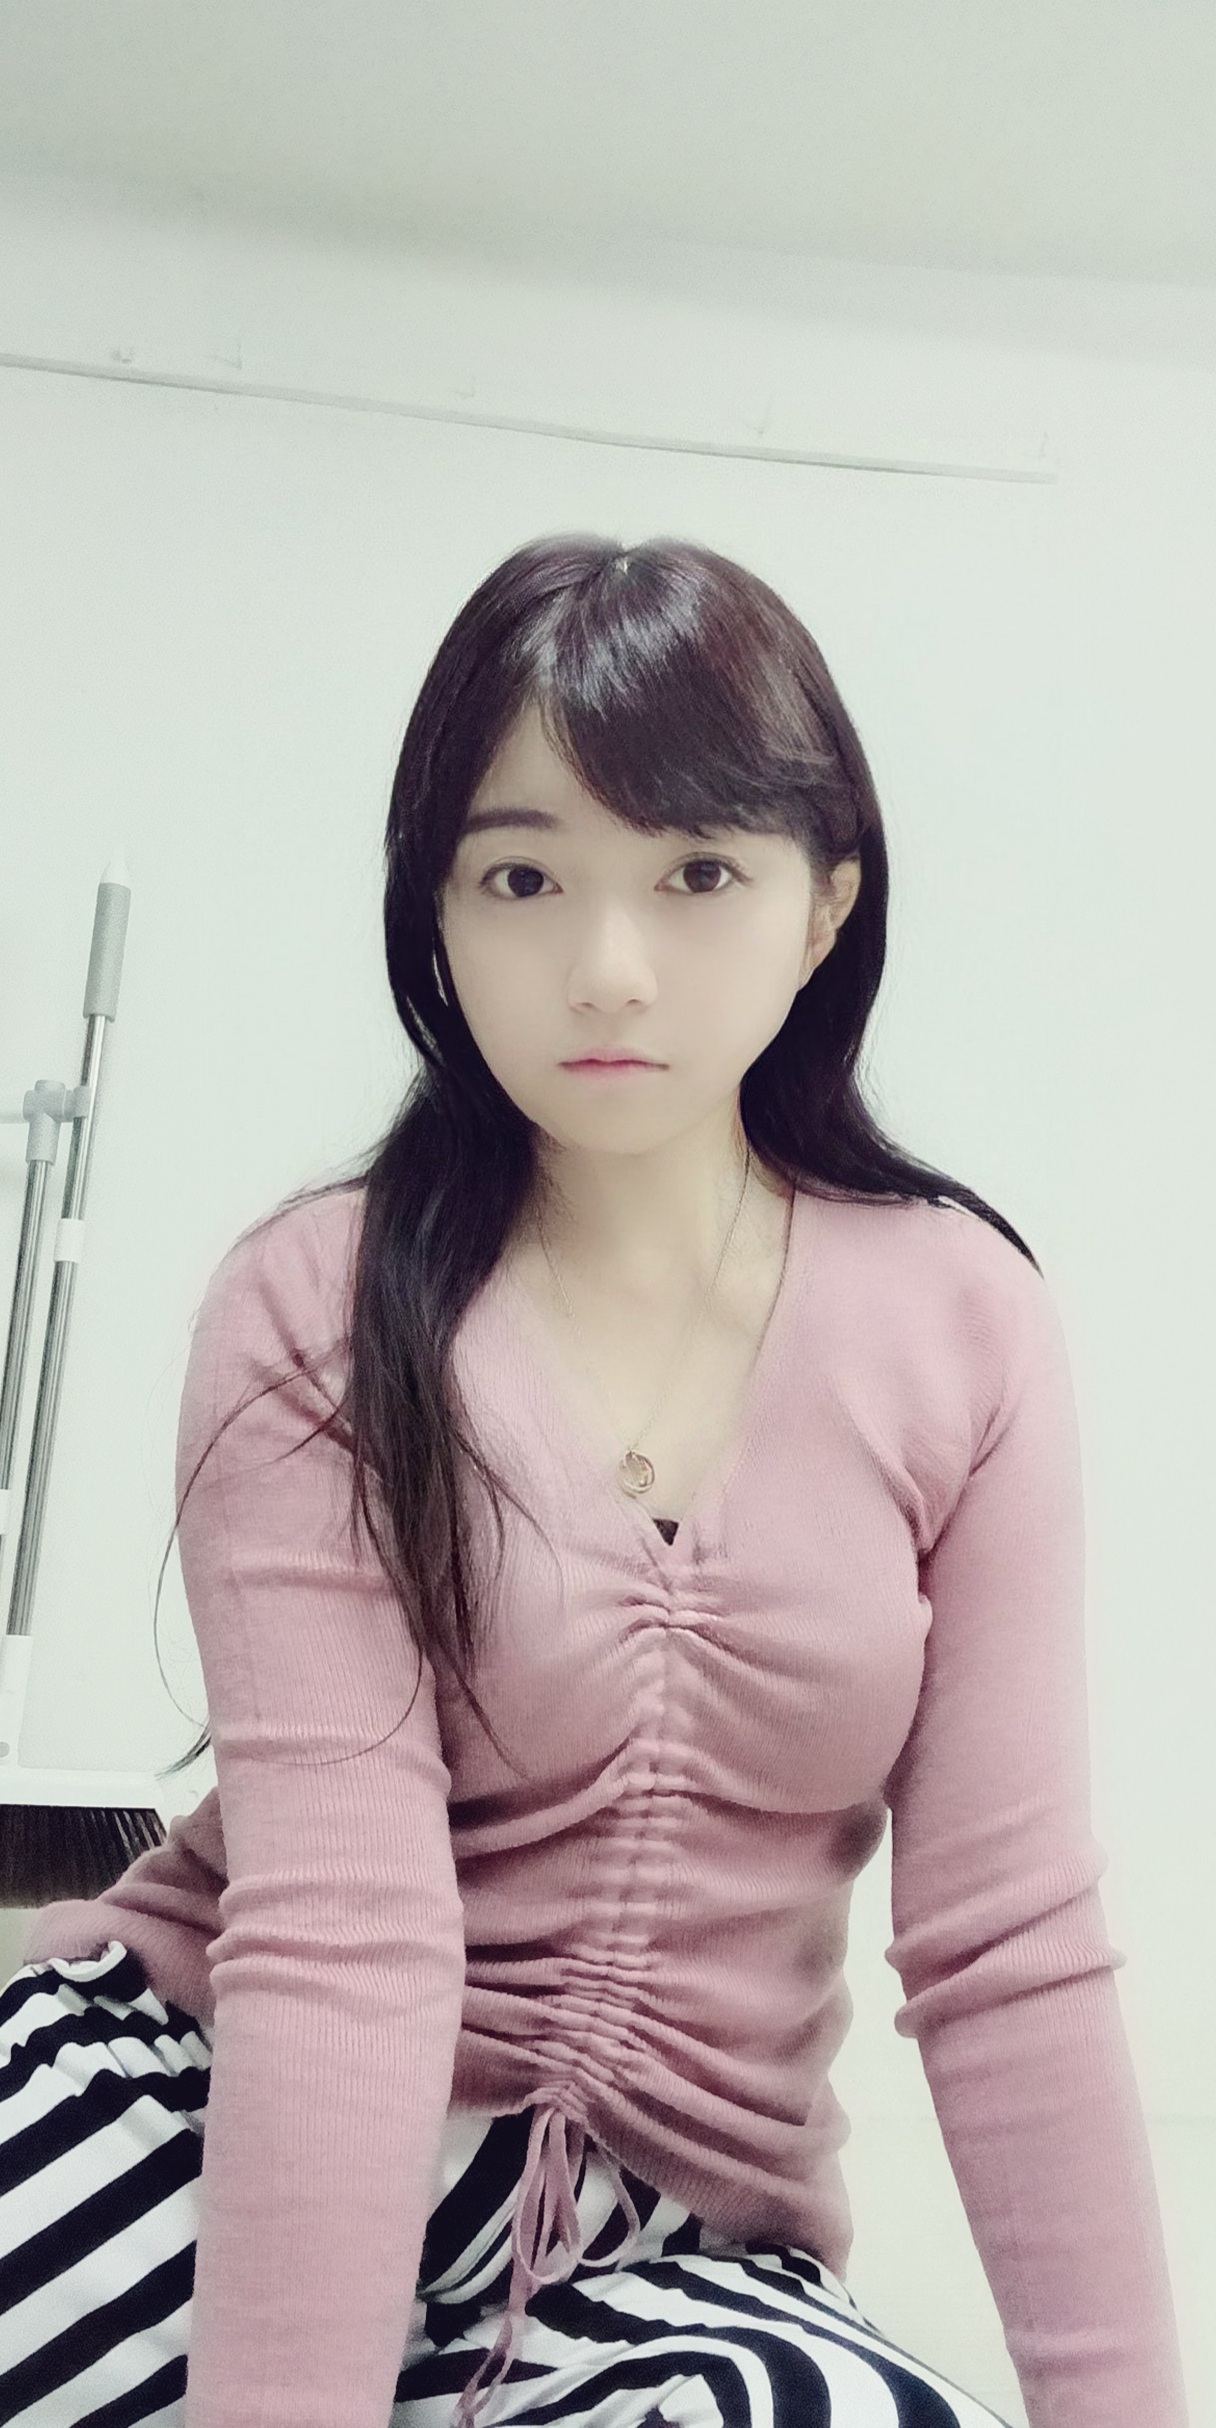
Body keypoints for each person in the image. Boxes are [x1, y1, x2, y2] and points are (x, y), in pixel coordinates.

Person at [0, 535, 1188, 2428]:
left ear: (826, 902)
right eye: (524, 877)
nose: (606, 967)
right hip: (219, 2099)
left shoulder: (967, 1325)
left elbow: (1008, 1943)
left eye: (697, 873)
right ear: (438, 911)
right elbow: (342, 1940)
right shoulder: (317, 1306)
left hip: (661, 2246)